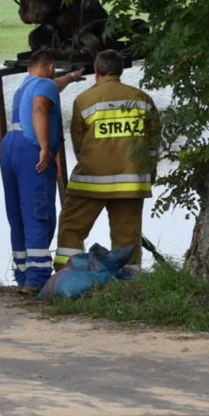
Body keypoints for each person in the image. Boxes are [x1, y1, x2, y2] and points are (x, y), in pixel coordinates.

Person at [55, 49, 160, 273]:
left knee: (71, 227)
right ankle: (129, 283)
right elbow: (153, 143)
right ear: (121, 70)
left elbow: (78, 144)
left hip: (90, 182)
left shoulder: (84, 100)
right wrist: (149, 172)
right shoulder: (142, 99)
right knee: (127, 235)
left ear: (96, 71)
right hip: (131, 182)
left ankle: (67, 276)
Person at [0, 49, 84, 291]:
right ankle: (37, 279)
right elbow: (39, 109)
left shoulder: (24, 86)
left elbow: (52, 87)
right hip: (30, 150)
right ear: (49, 67)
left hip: (11, 148)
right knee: (38, 211)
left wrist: (71, 77)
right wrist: (46, 147)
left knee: (17, 216)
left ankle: (23, 275)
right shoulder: (43, 87)